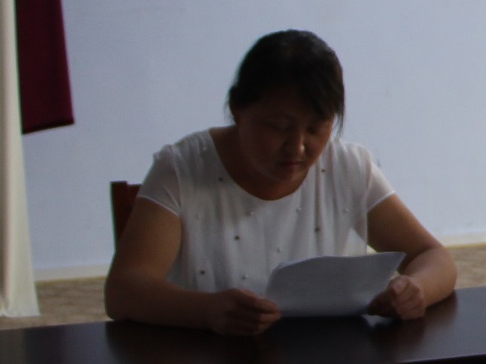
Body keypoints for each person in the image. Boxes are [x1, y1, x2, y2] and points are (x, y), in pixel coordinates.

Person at [106, 30, 457, 334]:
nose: (298, 147)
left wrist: (415, 290)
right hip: (209, 363)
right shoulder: (182, 169)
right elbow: (124, 291)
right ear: (237, 107)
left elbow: (433, 256)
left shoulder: (347, 167)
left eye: (316, 128)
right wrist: (206, 310)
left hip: (321, 361)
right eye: (279, 126)